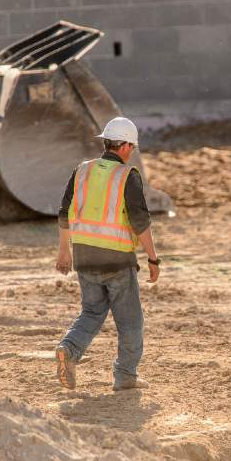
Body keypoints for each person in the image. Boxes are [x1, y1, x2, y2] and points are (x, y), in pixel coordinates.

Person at [55, 117, 160, 391]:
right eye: (132, 147)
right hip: (116, 259)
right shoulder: (127, 176)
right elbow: (140, 222)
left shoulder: (82, 170)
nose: (132, 152)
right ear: (124, 146)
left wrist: (63, 251)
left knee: (91, 311)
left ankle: (69, 348)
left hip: (84, 257)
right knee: (130, 321)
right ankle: (125, 376)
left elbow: (65, 212)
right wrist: (152, 258)